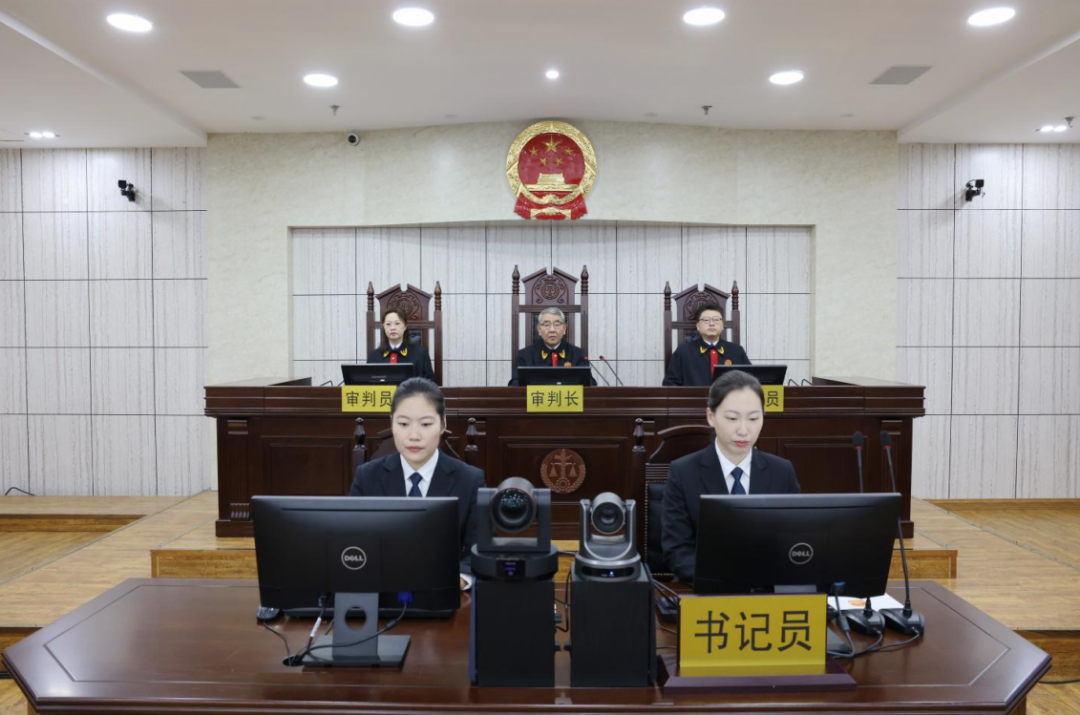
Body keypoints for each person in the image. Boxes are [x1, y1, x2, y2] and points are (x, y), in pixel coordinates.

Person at [661, 370, 800, 583]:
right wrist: (728, 581)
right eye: (732, 418)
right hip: (706, 589)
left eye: (753, 418)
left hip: (767, 590)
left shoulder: (782, 472)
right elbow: (677, 551)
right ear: (711, 417)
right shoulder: (683, 472)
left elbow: (794, 543)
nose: (743, 430)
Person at [349, 377, 485, 575]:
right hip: (383, 587)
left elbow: (479, 551)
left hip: (444, 587)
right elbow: (353, 545)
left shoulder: (470, 480)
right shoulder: (367, 477)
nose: (414, 435)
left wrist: (460, 579)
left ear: (442, 424)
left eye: (426, 424)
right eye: (403, 424)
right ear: (392, 423)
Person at [662, 303, 750, 386]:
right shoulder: (683, 352)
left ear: (722, 325)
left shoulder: (737, 351)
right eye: (706, 320)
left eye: (716, 320)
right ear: (698, 326)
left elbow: (751, 381)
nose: (711, 323)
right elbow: (670, 384)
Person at [508, 306, 596, 386]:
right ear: (539, 329)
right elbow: (515, 385)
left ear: (564, 328)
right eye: (546, 325)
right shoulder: (524, 356)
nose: (552, 330)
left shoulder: (579, 355)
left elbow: (589, 384)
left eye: (557, 324)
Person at [366, 308, 436, 383]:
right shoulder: (373, 357)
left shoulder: (421, 354)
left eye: (397, 323)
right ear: (384, 326)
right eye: (388, 324)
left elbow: (431, 384)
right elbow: (367, 385)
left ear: (405, 326)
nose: (392, 328)